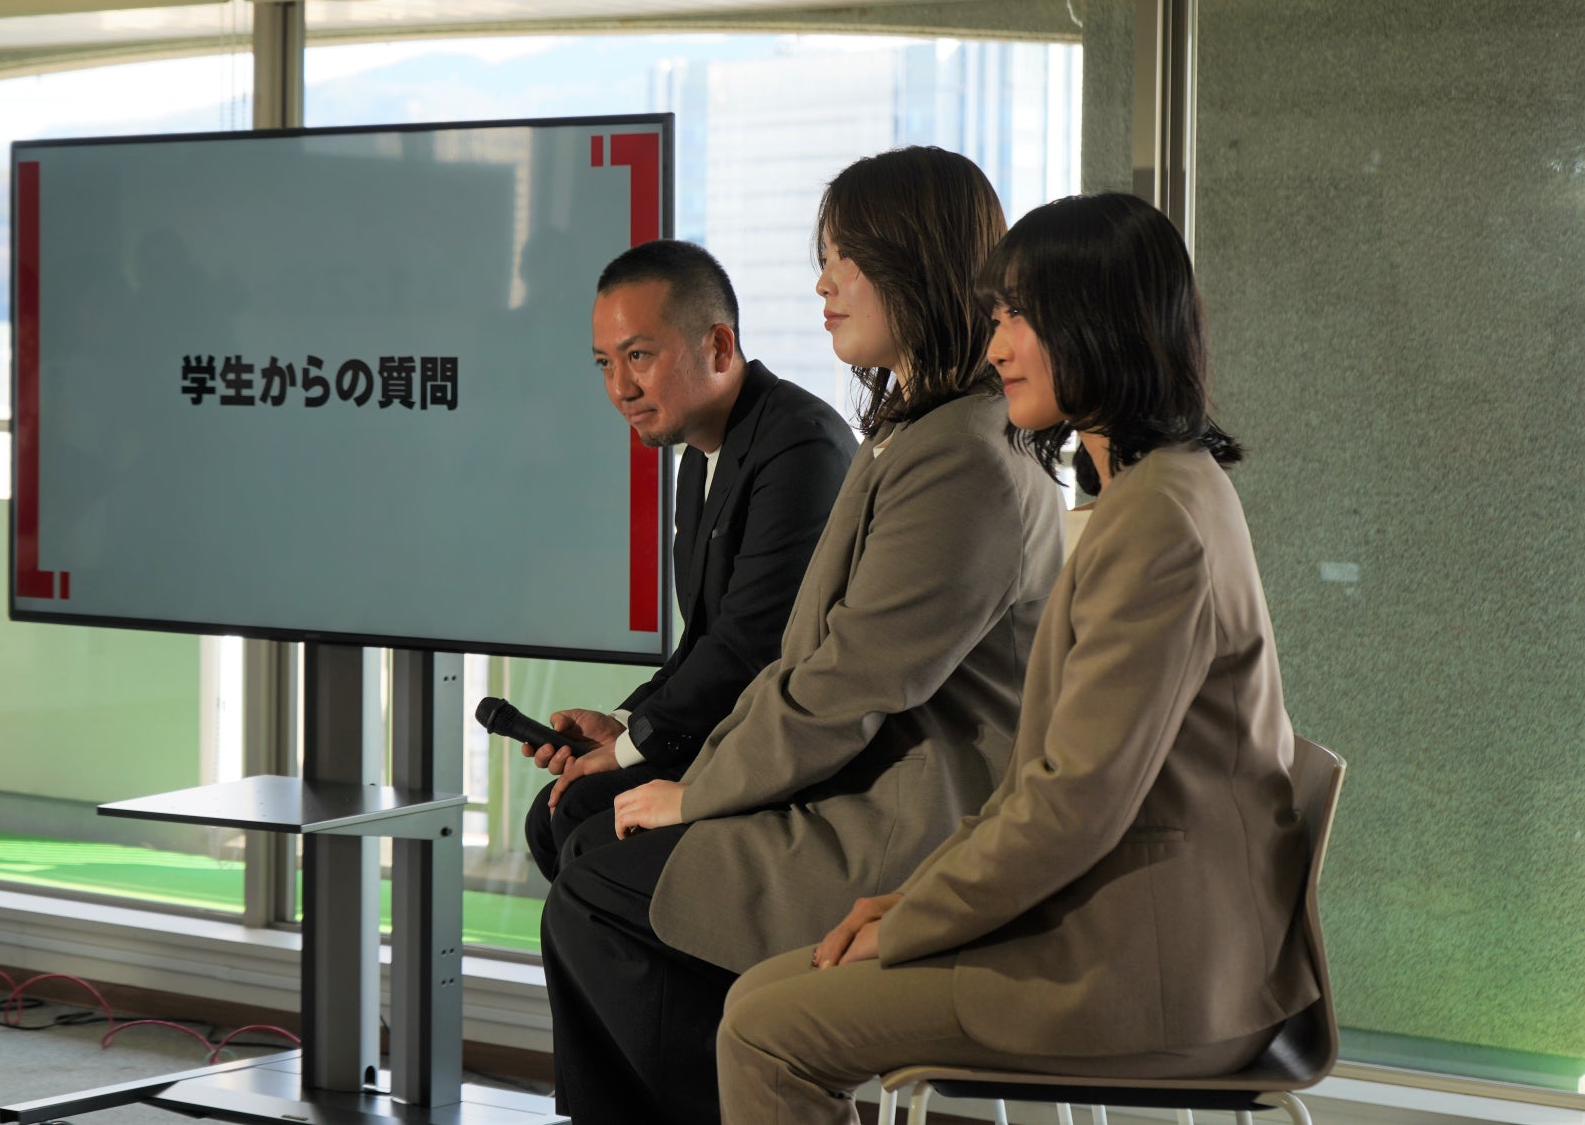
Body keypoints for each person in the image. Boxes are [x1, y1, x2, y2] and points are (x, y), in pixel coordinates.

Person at [715, 192, 1320, 1123]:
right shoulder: (1161, 491)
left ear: (1101, 323)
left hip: (1146, 972)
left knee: (764, 1029)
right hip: (1138, 939)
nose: (996, 347)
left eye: (1019, 318)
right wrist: (911, 900)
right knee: (758, 999)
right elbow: (1058, 784)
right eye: (997, 317)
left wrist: (915, 917)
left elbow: (1072, 803)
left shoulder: (1158, 520)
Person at [539, 147, 1065, 1125]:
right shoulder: (920, 435)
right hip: (863, 789)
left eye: (843, 260)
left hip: (910, 826)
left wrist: (695, 789)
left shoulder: (956, 457)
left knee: (597, 877)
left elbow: (841, 683)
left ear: (915, 263)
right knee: (589, 848)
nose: (823, 285)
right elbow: (797, 665)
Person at [522, 239, 855, 883]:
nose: (620, 388)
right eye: (604, 363)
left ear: (720, 348)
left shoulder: (800, 446)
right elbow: (703, 637)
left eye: (639, 356)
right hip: (727, 729)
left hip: (784, 753)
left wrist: (634, 746)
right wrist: (622, 725)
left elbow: (751, 645)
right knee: (556, 812)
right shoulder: (701, 454)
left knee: (583, 821)